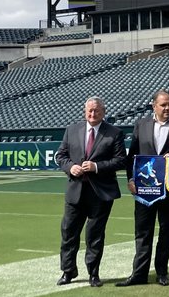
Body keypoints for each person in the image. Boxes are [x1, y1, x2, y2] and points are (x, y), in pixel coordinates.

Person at [116, 90, 169, 287]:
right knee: (142, 232)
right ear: (153, 105)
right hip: (144, 190)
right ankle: (139, 274)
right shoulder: (142, 124)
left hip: (168, 190)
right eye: (163, 105)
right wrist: (130, 179)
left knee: (166, 231)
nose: (167, 108)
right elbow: (133, 156)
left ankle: (162, 272)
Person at [55, 96, 126, 288]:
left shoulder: (114, 133)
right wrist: (70, 167)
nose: (93, 114)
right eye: (90, 110)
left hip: (100, 193)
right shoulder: (72, 130)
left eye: (96, 111)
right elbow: (61, 156)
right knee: (69, 232)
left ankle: (93, 273)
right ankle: (68, 271)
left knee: (95, 235)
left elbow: (121, 160)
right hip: (75, 191)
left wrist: (96, 166)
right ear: (84, 111)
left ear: (104, 112)